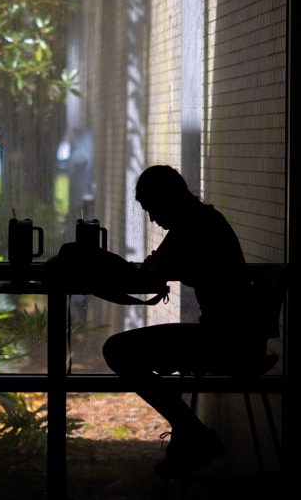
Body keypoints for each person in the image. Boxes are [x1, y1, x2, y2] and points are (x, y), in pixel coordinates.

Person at [45, 165, 263, 477]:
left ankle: (191, 431)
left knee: (118, 350)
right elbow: (152, 273)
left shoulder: (191, 228)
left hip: (222, 341)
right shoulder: (201, 221)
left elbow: (145, 279)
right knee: (123, 349)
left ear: (166, 199)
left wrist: (90, 263)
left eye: (152, 208)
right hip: (235, 337)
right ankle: (190, 431)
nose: (152, 219)